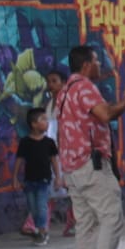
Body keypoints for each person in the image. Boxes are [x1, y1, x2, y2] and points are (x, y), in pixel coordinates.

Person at [57, 44, 125, 249]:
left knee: (86, 225)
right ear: (87, 64)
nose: (100, 65)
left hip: (72, 167)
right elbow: (105, 114)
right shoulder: (84, 88)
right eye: (97, 61)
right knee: (112, 216)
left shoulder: (64, 91)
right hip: (90, 165)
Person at [13, 106, 59, 246]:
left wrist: (58, 177)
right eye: (43, 119)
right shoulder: (25, 142)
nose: (47, 122)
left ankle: (42, 232)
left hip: (44, 180)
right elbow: (19, 160)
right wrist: (15, 178)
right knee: (33, 207)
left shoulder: (49, 142)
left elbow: (54, 160)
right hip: (29, 181)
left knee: (41, 205)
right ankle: (39, 230)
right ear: (34, 124)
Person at [44, 68, 75, 237]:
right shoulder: (48, 103)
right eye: (48, 81)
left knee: (71, 190)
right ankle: (39, 225)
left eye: (54, 81)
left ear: (63, 83)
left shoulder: (67, 102)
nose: (50, 85)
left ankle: (72, 223)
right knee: (49, 188)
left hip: (66, 150)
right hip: (51, 151)